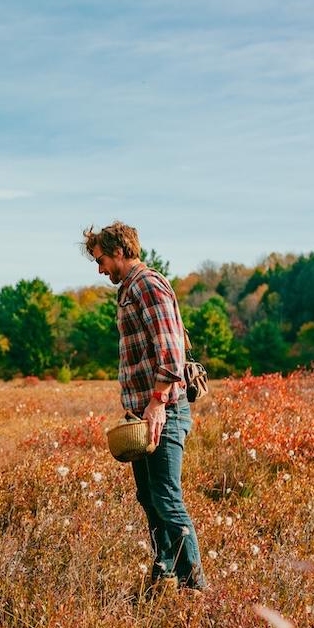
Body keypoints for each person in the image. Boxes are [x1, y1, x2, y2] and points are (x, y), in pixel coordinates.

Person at [83, 221, 207, 592]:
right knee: (149, 498)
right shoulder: (129, 291)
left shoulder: (147, 285)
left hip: (163, 411)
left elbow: (170, 351)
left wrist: (156, 403)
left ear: (120, 251)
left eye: (102, 259)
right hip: (142, 414)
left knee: (167, 499)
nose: (100, 269)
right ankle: (163, 577)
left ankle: (196, 590)